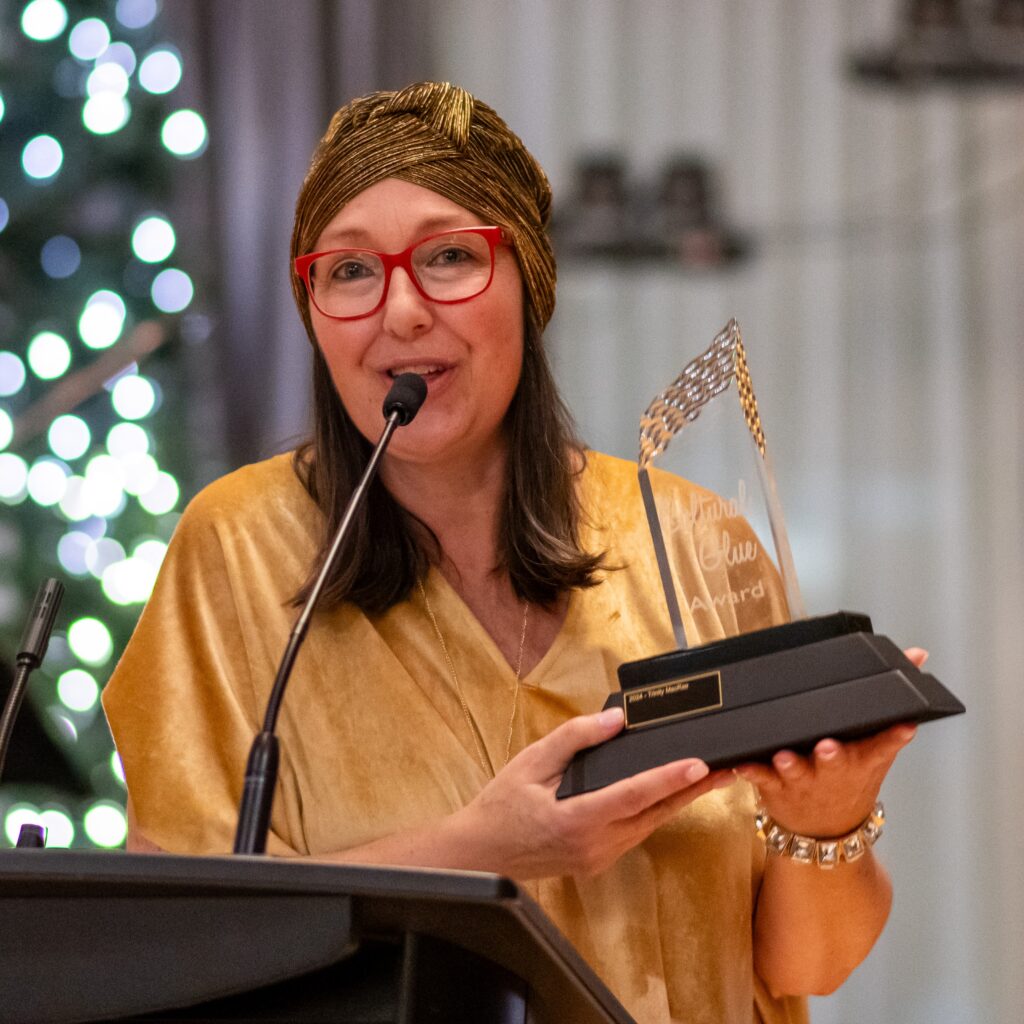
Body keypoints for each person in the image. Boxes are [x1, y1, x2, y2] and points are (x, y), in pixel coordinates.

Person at [102, 82, 922, 1024]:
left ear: (526, 280)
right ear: (312, 304)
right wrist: (484, 848)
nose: (400, 312)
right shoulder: (238, 547)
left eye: (450, 257)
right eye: (350, 271)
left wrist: (830, 820)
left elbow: (806, 963)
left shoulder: (693, 537)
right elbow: (183, 932)